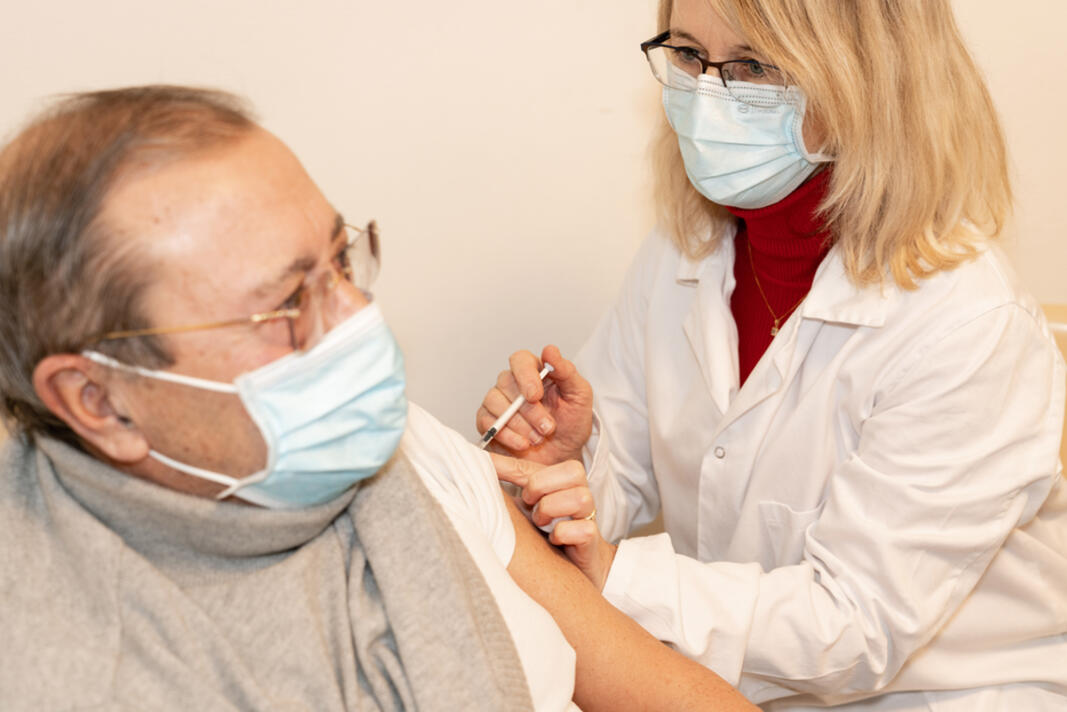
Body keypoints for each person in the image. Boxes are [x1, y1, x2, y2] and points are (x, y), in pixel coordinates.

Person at [0, 85, 755, 711]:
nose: (357, 318)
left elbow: (663, 692)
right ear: (96, 399)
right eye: (288, 304)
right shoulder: (58, 661)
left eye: (340, 260)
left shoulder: (385, 450)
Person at [477, 1, 1067, 709]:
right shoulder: (684, 255)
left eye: (754, 66)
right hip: (727, 681)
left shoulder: (965, 326)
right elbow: (618, 480)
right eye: (689, 56)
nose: (705, 94)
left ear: (866, 81)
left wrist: (612, 574)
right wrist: (563, 463)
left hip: (949, 693)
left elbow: (850, 629)